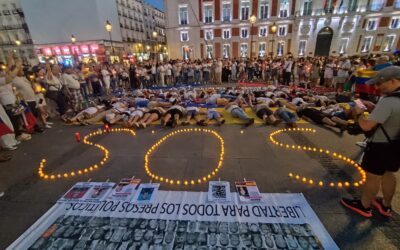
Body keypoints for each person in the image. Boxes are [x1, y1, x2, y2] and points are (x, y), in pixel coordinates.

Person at [341, 66, 400, 218]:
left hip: (380, 146)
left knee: (373, 176)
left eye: (380, 84)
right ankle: (386, 206)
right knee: (388, 174)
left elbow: (366, 125)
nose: (377, 87)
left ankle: (364, 206)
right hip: (396, 144)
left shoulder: (389, 101)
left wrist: (360, 113)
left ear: (393, 81)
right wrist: (375, 108)